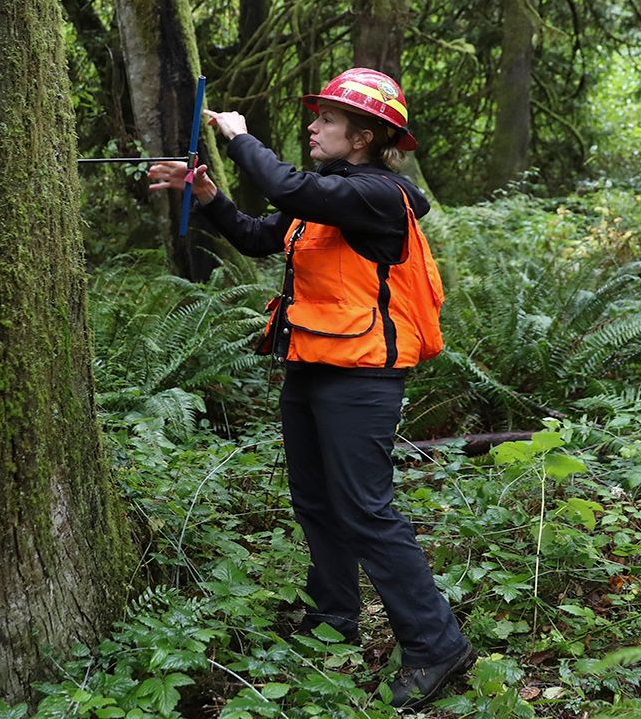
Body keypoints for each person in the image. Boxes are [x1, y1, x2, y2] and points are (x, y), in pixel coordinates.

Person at [148, 68, 474, 708]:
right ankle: (333, 621)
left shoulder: (382, 195)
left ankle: (437, 644)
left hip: (363, 374)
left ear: (364, 136)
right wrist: (208, 193)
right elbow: (256, 233)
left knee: (366, 508)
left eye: (326, 118)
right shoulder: (324, 199)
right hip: (311, 364)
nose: (312, 126)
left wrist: (239, 138)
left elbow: (282, 184)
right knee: (315, 502)